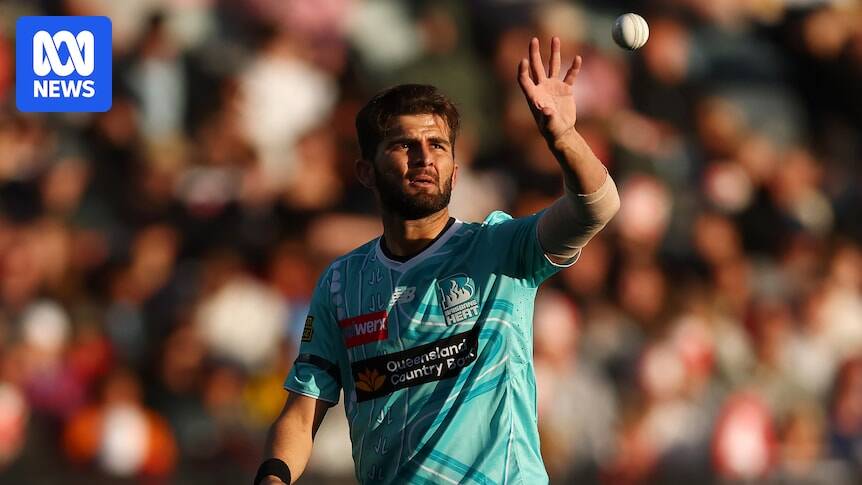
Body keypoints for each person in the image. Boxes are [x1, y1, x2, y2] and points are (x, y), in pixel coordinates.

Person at [255, 37, 620, 485]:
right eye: (404, 145)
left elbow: (597, 208)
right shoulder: (341, 282)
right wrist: (272, 478)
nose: (424, 158)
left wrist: (563, 138)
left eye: (438, 145)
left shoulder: (499, 248)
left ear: (455, 170)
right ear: (366, 171)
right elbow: (301, 413)